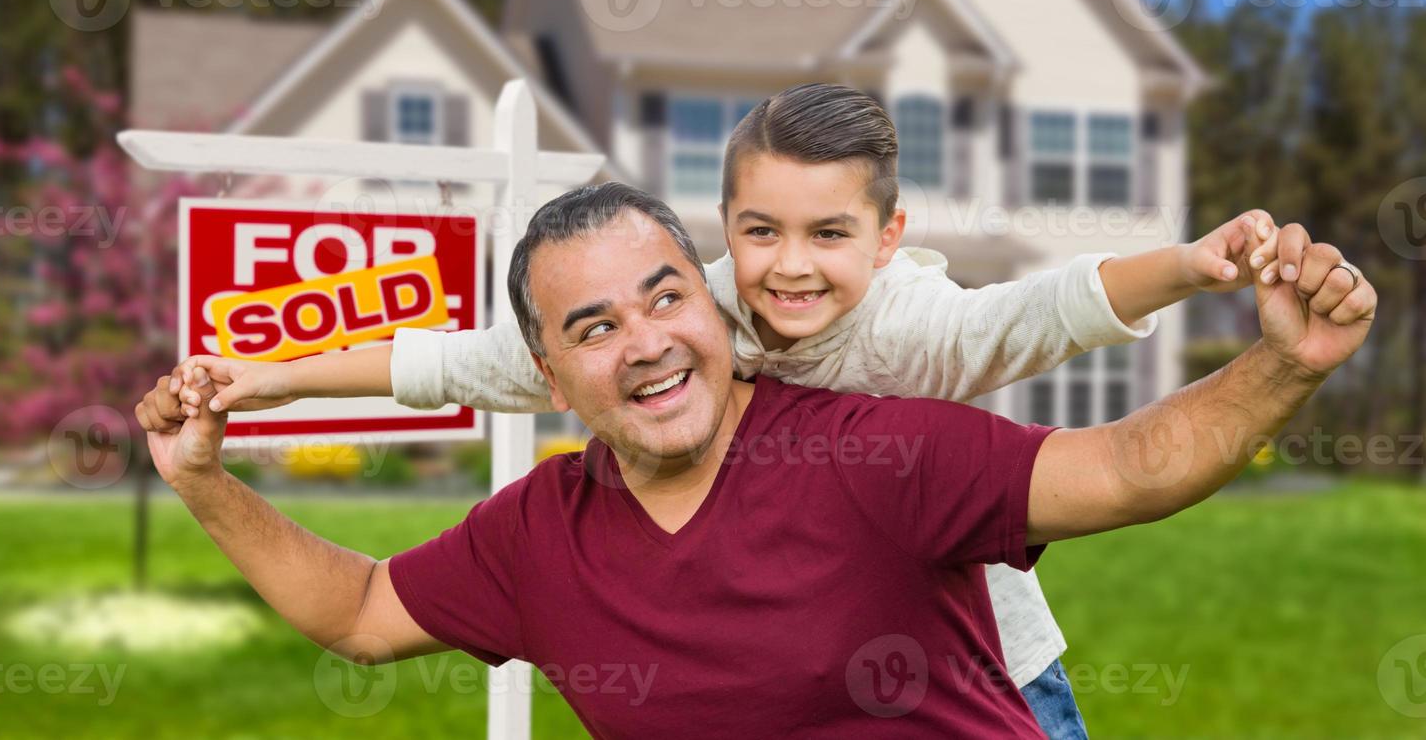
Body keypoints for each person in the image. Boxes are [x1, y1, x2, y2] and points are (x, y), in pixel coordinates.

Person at [176, 83, 1283, 737]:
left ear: (887, 236)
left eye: (829, 235)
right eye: (761, 232)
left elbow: (1058, 334)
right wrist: (265, 390)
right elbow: (457, 378)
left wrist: (1192, 271)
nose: (790, 270)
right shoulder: (686, 323)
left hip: (989, 636)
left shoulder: (905, 353)